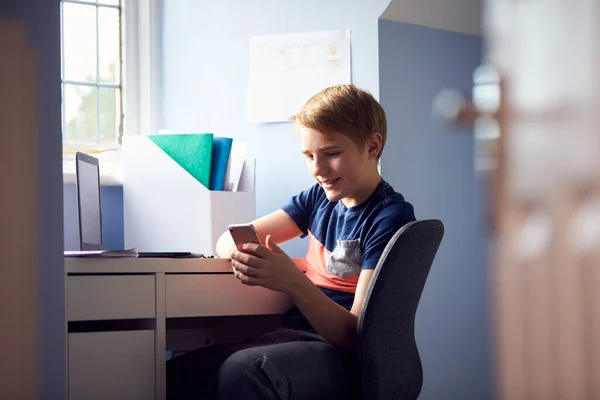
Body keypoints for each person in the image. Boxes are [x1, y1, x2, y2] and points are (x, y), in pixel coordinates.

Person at [166, 83, 416, 399]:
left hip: (343, 353)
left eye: (332, 153)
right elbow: (228, 240)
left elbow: (355, 335)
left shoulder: (389, 217)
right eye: (309, 155)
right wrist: (265, 261)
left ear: (372, 145)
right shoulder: (319, 199)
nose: (318, 169)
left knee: (245, 370)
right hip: (294, 335)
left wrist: (293, 282)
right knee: (179, 373)